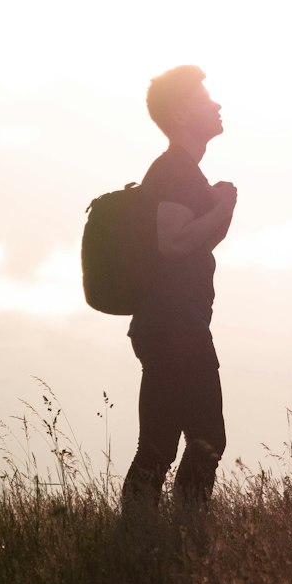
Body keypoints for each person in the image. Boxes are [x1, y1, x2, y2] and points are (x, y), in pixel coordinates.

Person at [121, 65, 237, 510]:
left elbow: (193, 239)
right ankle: (184, 534)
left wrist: (219, 209)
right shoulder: (174, 170)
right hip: (174, 327)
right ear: (182, 114)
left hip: (170, 324)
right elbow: (173, 242)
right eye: (206, 99)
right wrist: (223, 206)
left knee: (160, 444)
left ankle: (145, 538)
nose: (218, 104)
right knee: (205, 439)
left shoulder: (183, 171)